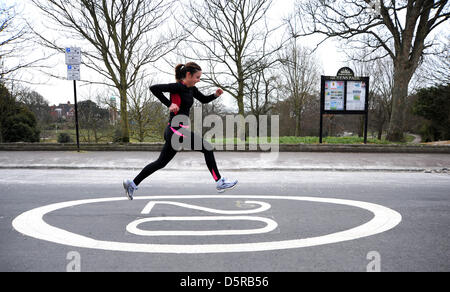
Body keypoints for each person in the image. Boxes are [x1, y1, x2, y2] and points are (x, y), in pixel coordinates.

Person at [123, 62, 238, 200]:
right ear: (188, 75)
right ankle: (220, 182)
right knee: (207, 148)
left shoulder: (192, 89)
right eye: (197, 77)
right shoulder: (177, 87)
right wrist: (169, 104)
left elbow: (203, 99)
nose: (198, 80)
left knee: (161, 163)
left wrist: (215, 95)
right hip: (176, 130)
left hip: (174, 131)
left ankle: (132, 183)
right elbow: (154, 88)